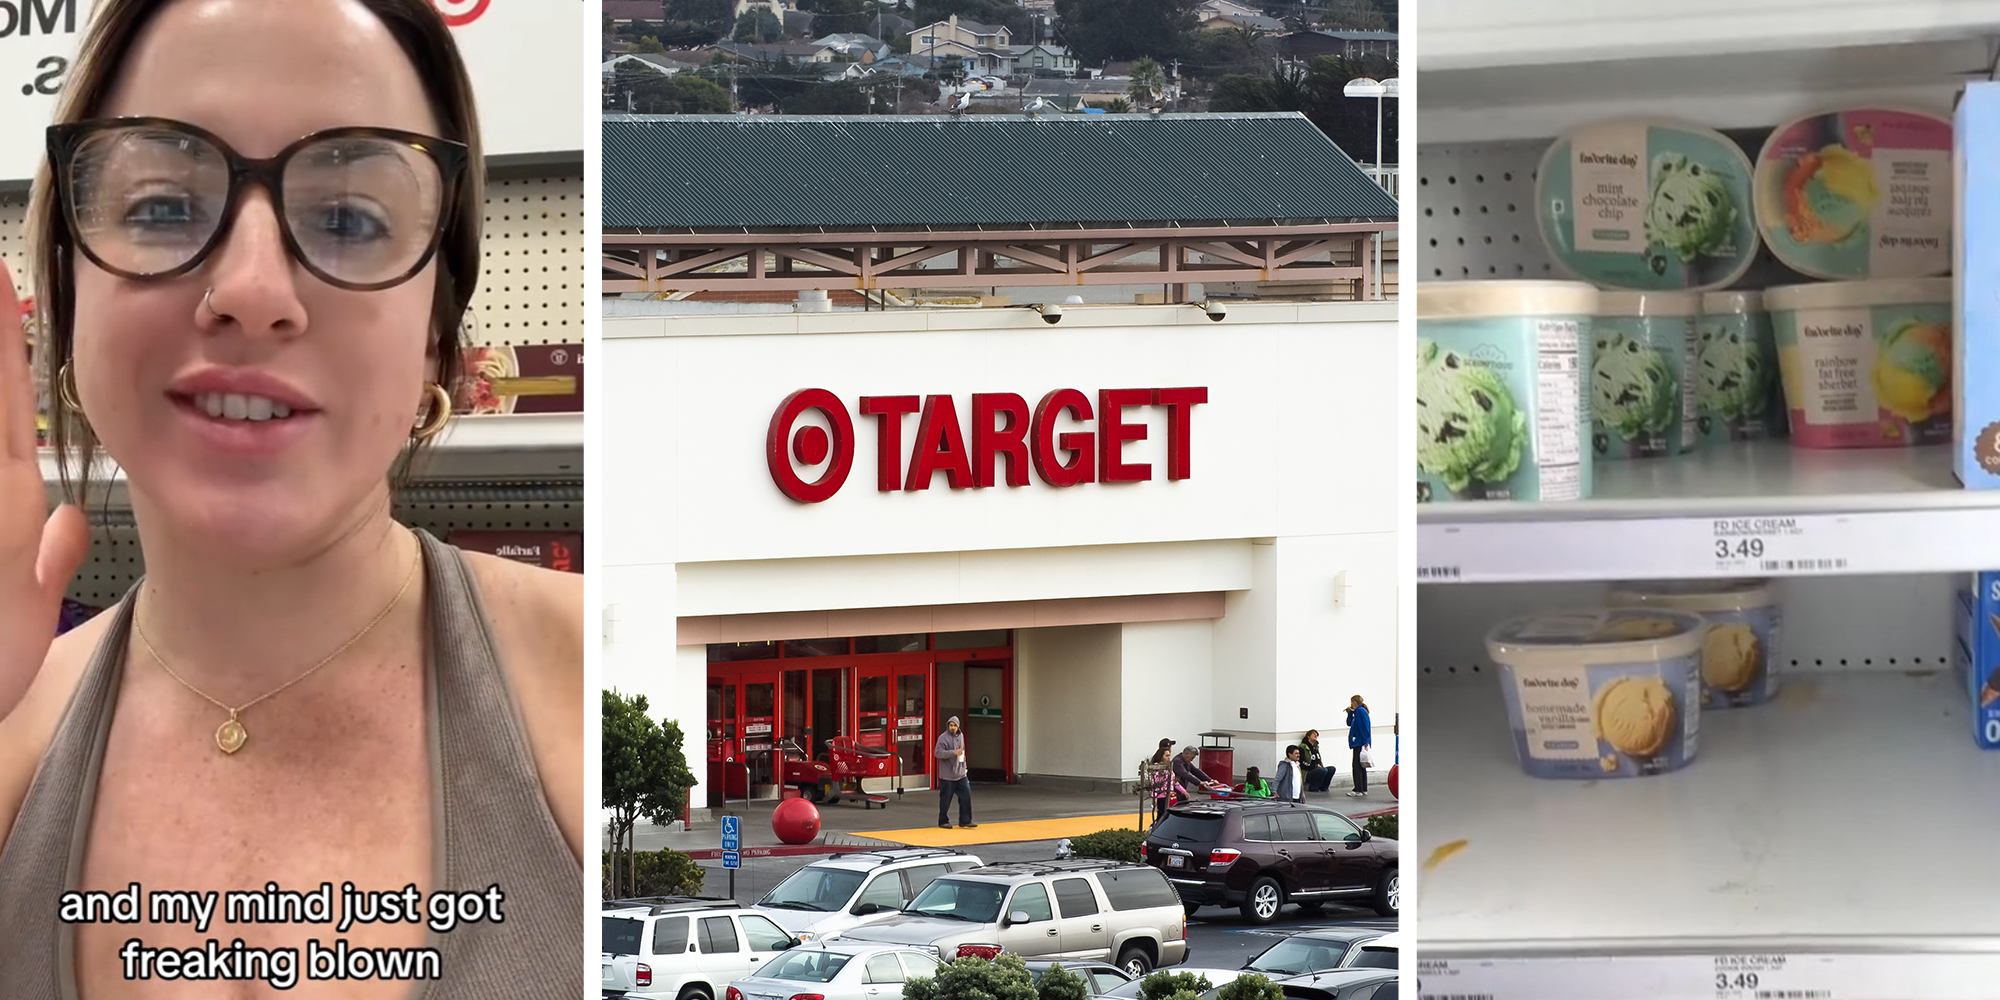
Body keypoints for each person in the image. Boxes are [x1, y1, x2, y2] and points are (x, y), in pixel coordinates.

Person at [0, 1, 584, 995]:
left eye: (350, 218)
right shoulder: (8, 733)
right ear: (65, 293)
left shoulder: (579, 677)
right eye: (162, 206)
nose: (254, 286)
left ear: (438, 338)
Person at [935, 716, 975, 828]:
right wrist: (953, 752)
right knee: (945, 800)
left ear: (958, 726)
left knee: (966, 797)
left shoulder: (961, 736)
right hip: (947, 776)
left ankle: (965, 820)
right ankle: (943, 821)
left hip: (961, 774)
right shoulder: (943, 738)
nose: (952, 727)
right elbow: (937, 753)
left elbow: (963, 752)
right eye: (951, 725)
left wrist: (965, 768)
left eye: (954, 725)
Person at [1146, 738, 1182, 824]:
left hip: (1170, 794)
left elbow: (1174, 780)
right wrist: (1154, 797)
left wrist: (1183, 791)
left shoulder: (1168, 767)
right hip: (1161, 795)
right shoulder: (1157, 768)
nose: (1169, 757)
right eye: (1167, 755)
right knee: (1162, 816)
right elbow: (1154, 783)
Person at [1347, 695, 1373, 797]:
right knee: (1361, 766)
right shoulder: (1356, 712)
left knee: (1357, 766)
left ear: (1354, 702)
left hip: (1359, 742)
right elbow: (1349, 723)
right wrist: (1350, 713)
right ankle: (1362, 788)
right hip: (1358, 741)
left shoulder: (1360, 711)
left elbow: (1364, 726)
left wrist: (1365, 740)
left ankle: (1358, 789)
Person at [1300, 728, 1335, 792]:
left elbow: (1318, 760)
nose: (1316, 736)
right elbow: (1302, 762)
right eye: (1314, 734)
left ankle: (1324, 787)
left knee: (1332, 769)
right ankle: (1313, 787)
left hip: (1317, 769)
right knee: (1322, 770)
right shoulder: (1302, 747)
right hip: (1307, 771)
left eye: (1317, 735)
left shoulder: (1316, 748)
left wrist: (1320, 766)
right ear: (1308, 736)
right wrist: (1315, 766)